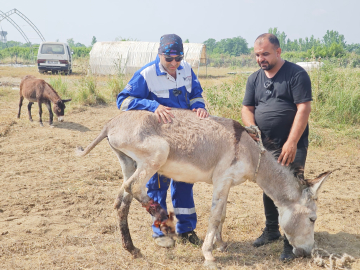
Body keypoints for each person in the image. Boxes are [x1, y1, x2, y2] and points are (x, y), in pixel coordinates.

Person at [117, 34, 209, 248]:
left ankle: (187, 230)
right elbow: (123, 101)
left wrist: (199, 106)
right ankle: (162, 232)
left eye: (178, 58)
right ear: (159, 54)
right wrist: (152, 106)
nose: (174, 63)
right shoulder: (147, 74)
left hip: (185, 140)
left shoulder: (186, 70)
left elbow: (196, 93)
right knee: (158, 187)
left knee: (185, 184)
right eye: (169, 59)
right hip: (158, 142)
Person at [241, 33, 312, 261]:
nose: (260, 58)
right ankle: (271, 229)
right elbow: (247, 109)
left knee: (291, 191)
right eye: (257, 55)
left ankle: (289, 242)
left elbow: (303, 109)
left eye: (265, 54)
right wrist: (252, 130)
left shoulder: (296, 74)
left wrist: (291, 143)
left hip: (292, 143)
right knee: (269, 186)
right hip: (265, 145)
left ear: (278, 52)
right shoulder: (254, 79)